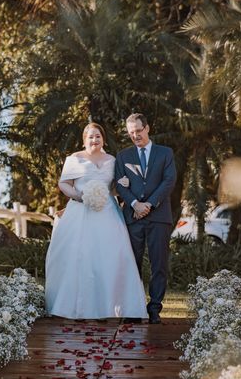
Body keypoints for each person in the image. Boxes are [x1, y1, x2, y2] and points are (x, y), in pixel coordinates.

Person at [45, 123, 147, 320]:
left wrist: (123, 185)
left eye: (98, 136)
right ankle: (76, 307)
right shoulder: (75, 158)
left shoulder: (112, 160)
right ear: (84, 139)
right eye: (91, 137)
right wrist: (79, 195)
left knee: (111, 257)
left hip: (108, 213)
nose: (95, 140)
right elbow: (63, 183)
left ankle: (108, 307)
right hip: (80, 210)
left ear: (103, 139)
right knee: (80, 257)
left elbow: (114, 189)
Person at [115, 113, 177, 324]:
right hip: (133, 217)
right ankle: (133, 307)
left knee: (159, 263)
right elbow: (119, 185)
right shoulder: (123, 156)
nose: (135, 136)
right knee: (132, 263)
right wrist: (135, 204)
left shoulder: (165, 153)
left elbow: (169, 182)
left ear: (147, 128)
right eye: (131, 133)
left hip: (159, 216)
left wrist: (149, 204)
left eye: (138, 131)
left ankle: (154, 309)